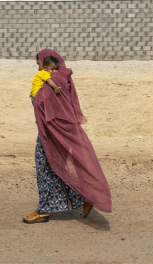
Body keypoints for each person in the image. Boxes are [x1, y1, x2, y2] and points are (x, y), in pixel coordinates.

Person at [22, 48, 112, 224]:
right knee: (59, 167)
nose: (38, 66)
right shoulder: (65, 77)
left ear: (45, 63)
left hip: (52, 131)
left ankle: (44, 211)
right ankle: (84, 198)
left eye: (39, 63)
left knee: (45, 168)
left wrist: (36, 96)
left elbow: (44, 103)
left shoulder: (51, 80)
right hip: (64, 129)